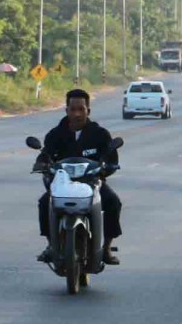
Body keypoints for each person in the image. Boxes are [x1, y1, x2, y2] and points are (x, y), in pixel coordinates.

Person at [35, 88, 123, 265]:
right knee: (45, 203)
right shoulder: (55, 135)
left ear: (88, 111)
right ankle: (51, 245)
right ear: (66, 110)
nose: (77, 114)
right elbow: (45, 156)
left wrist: (106, 168)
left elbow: (111, 158)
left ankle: (105, 248)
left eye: (81, 109)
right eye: (73, 109)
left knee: (113, 202)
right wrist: (42, 165)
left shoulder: (100, 134)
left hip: (92, 184)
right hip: (62, 185)